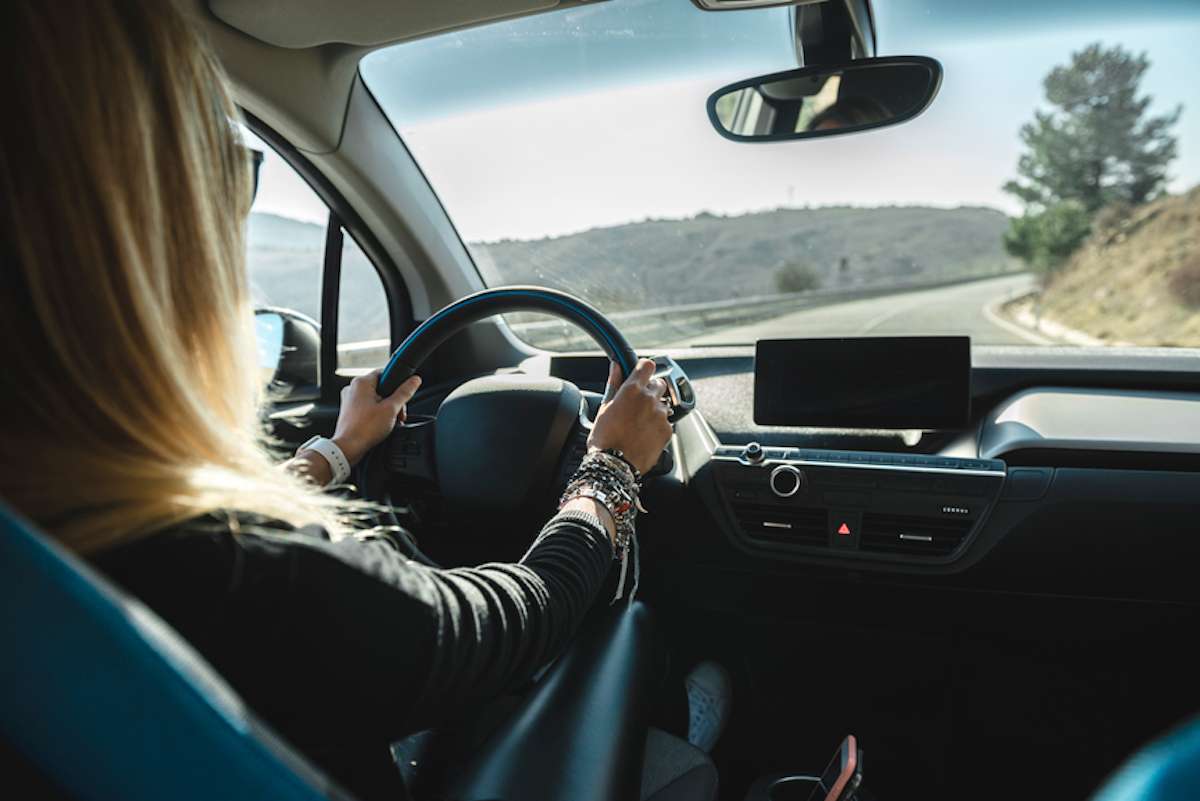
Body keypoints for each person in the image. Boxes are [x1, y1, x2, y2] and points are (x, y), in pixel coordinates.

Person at [0, 2, 726, 800]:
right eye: (222, 175)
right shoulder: (249, 583)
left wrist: (336, 452)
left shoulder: (52, 548)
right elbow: (516, 618)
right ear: (146, 228)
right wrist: (611, 468)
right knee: (647, 654)